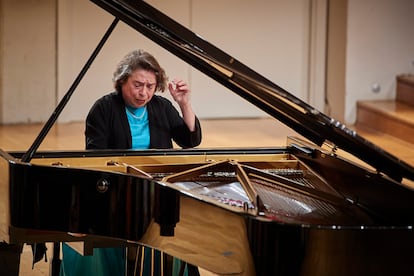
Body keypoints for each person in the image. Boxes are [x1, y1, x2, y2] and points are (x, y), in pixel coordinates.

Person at [60, 49, 202, 276]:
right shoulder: (103, 108)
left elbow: (190, 139)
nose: (143, 93)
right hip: (115, 188)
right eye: (138, 85)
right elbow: (96, 157)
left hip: (156, 187)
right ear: (122, 80)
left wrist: (184, 103)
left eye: (150, 86)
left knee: (177, 223)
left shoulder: (162, 107)